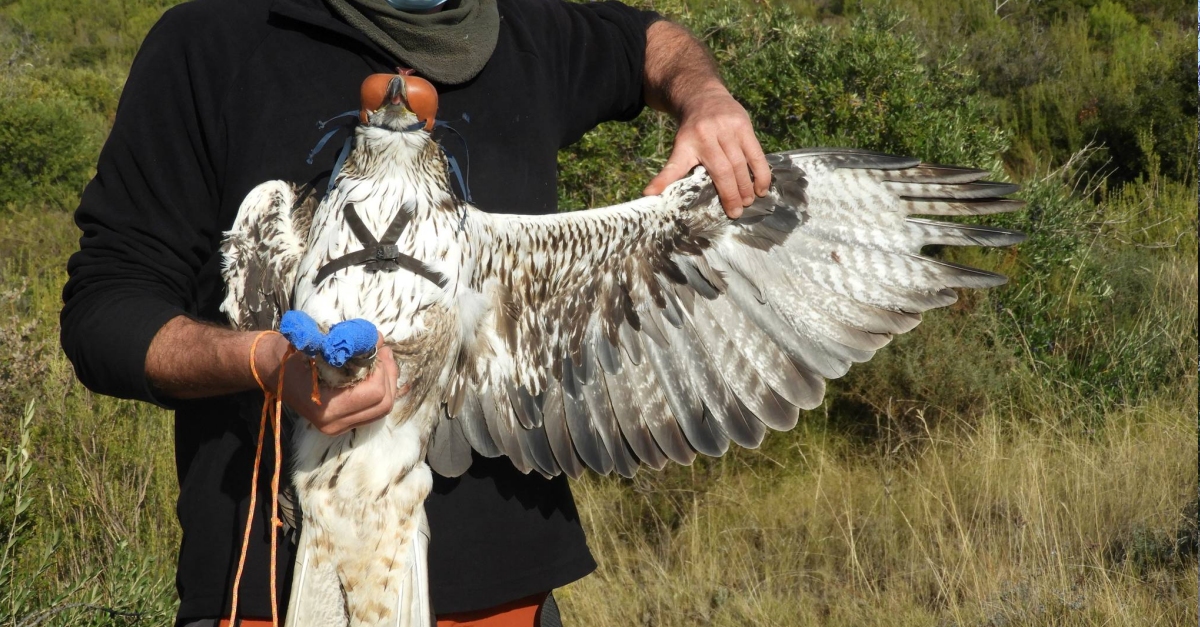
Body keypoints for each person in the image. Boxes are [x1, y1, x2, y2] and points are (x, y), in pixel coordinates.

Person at [59, 0, 769, 624]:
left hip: (502, 597)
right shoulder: (213, 37)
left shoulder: (526, 32)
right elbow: (102, 308)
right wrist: (262, 361)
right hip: (270, 584)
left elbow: (645, 38)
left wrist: (705, 96)